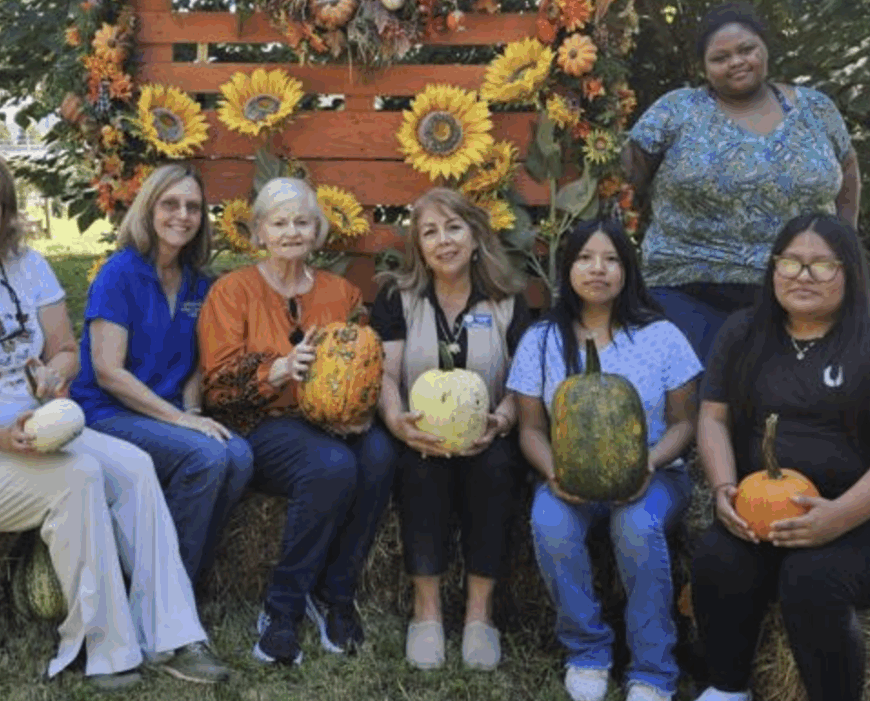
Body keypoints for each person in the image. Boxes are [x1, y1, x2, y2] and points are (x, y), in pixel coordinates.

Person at [0, 146, 229, 692]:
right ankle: (104, 648)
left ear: (5, 206)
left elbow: (67, 349)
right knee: (78, 477)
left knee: (133, 466)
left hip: (35, 436)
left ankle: (175, 634)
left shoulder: (28, 267)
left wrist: (53, 376)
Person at [691, 212, 870, 701]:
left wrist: (839, 516)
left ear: (849, 272)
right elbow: (713, 418)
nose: (802, 277)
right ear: (772, 271)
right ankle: (726, 689)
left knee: (813, 577)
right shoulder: (744, 333)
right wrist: (724, 488)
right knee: (717, 557)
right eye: (789, 263)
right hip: (775, 512)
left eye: (821, 265)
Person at [198, 177, 398, 666]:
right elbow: (217, 387)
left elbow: (365, 365)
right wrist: (280, 369)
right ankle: (282, 608)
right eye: (279, 222)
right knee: (331, 466)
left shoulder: (342, 293)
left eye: (302, 222)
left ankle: (336, 593)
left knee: (377, 455)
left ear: (318, 232)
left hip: (335, 418)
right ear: (260, 233)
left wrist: (360, 412)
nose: (292, 231)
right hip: (260, 422)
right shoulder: (232, 291)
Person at [508, 217, 702, 701]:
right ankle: (587, 649)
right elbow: (531, 428)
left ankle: (653, 669)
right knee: (550, 522)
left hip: (654, 474)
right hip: (567, 475)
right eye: (585, 258)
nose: (598, 269)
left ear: (627, 269)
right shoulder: (542, 340)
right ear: (567, 269)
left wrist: (649, 464)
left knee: (635, 527)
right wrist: (553, 473)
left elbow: (684, 423)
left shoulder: (661, 336)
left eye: (611, 259)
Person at [622, 1, 861, 362]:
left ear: (765, 48)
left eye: (746, 50)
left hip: (800, 284)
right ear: (703, 68)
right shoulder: (677, 109)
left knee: (799, 398)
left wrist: (846, 250)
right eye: (720, 57)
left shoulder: (816, 108)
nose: (736, 62)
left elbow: (848, 174)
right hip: (687, 285)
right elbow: (627, 173)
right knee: (701, 398)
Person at [69, 163, 253, 592]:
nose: (182, 215)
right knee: (205, 456)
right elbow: (108, 372)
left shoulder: (197, 285)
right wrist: (180, 422)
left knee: (240, 457)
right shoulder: (119, 274)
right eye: (171, 204)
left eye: (193, 207)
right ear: (149, 209)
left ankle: (180, 578)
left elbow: (194, 366)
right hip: (107, 412)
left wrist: (191, 410)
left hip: (166, 412)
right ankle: (166, 594)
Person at [372, 188, 532, 672]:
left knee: (498, 470)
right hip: (420, 432)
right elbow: (384, 373)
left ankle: (480, 616)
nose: (444, 241)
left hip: (490, 431)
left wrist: (502, 420)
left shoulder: (508, 300)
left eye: (454, 227)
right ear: (418, 245)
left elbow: (525, 382)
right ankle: (428, 613)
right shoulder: (398, 298)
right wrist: (398, 424)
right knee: (420, 474)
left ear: (476, 236)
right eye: (430, 231)